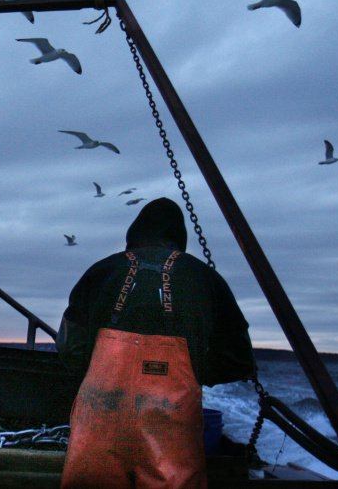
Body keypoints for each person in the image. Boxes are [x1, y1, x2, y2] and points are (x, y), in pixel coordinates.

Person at [57, 197, 255, 488]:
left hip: (101, 414)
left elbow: (69, 348)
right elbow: (238, 359)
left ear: (134, 233)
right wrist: (192, 374)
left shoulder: (100, 272)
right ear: (179, 237)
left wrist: (102, 372)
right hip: (171, 423)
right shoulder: (205, 278)